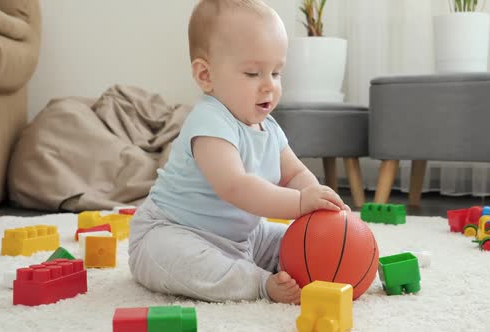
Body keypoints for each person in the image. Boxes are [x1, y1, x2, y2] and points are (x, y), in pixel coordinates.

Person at [128, 0, 349, 304]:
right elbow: (235, 186)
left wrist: (318, 204)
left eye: (276, 73)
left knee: (299, 243)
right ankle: (259, 284)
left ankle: (306, 266)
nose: (269, 86)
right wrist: (299, 203)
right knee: (186, 261)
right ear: (206, 75)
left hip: (244, 238)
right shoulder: (210, 120)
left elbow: (295, 173)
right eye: (252, 73)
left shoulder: (269, 128)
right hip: (173, 231)